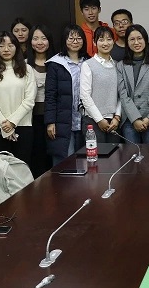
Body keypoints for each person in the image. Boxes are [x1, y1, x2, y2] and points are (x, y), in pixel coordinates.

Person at [0, 32, 36, 165]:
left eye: (10, 45)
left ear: (16, 47)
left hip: (22, 125)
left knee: (22, 167)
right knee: (0, 169)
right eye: (1, 46)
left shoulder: (27, 69)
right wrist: (4, 124)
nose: (6, 49)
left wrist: (12, 122)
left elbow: (29, 100)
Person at [45, 24, 88, 166]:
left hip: (84, 120)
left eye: (79, 38)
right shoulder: (56, 63)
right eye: (71, 38)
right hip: (62, 120)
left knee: (84, 161)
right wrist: (50, 121)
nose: (75, 42)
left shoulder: (89, 62)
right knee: (64, 161)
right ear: (64, 40)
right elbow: (50, 95)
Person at [117, 24, 149, 143]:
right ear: (127, 42)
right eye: (132, 39)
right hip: (130, 120)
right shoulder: (121, 65)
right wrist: (135, 119)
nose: (136, 42)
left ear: (145, 39)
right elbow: (123, 95)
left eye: (139, 38)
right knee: (132, 152)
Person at [80, 26, 121, 145]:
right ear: (94, 42)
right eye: (101, 39)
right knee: (97, 155)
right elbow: (85, 96)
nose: (105, 43)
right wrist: (99, 119)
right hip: (92, 120)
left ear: (113, 41)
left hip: (114, 122)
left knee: (115, 155)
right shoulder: (88, 65)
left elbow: (121, 94)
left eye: (109, 39)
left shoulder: (117, 65)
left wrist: (117, 117)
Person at [26, 25, 55, 177]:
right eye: (35, 38)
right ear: (30, 42)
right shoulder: (24, 64)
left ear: (49, 41)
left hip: (53, 117)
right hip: (31, 117)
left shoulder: (57, 63)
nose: (40, 42)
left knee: (52, 155)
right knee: (36, 155)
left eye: (44, 38)